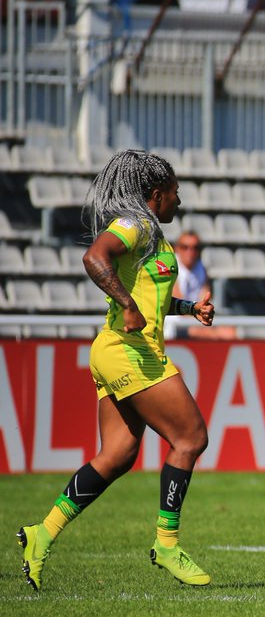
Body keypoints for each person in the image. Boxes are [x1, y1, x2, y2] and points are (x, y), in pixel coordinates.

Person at [16, 149, 217, 591]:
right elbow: (94, 258)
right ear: (156, 194)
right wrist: (126, 305)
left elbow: (149, 297)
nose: (178, 204)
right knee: (191, 437)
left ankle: (41, 533)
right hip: (130, 351)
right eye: (175, 194)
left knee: (118, 455)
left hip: (115, 350)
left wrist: (188, 308)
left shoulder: (154, 238)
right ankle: (166, 543)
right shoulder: (136, 223)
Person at [164, 231, 237, 340]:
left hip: (195, 318)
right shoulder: (171, 266)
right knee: (209, 334)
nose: (190, 252)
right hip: (175, 322)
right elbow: (180, 304)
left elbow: (205, 299)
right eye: (185, 247)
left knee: (230, 332)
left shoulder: (201, 268)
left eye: (195, 248)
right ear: (177, 248)